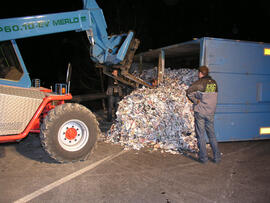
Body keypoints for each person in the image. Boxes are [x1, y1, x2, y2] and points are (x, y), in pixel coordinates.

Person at [186, 66, 221, 163]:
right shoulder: (214, 83)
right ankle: (217, 157)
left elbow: (188, 92)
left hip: (201, 112)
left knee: (201, 135)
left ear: (200, 73)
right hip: (210, 112)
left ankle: (204, 158)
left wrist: (196, 100)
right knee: (212, 135)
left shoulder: (199, 83)